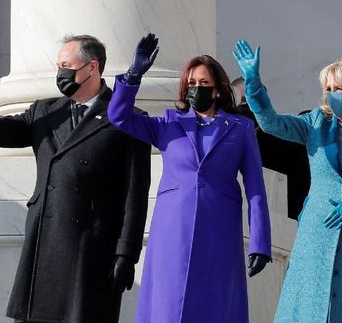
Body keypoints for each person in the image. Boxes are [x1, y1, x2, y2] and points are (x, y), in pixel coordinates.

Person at [0, 36, 151, 323]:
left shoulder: (127, 119)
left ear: (92, 67)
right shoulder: (45, 111)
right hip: (46, 241)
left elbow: (135, 193)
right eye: (59, 66)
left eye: (67, 65)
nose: (61, 73)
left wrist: (127, 254)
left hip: (93, 247)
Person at [233, 40, 342, 322]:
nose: (332, 95)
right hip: (317, 233)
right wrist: (253, 84)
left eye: (340, 88)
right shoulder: (315, 123)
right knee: (309, 309)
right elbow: (271, 123)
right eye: (328, 89)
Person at [108, 34, 271, 323]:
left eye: (204, 84)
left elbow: (256, 188)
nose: (197, 89)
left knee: (216, 304)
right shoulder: (168, 123)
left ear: (218, 90)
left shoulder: (240, 128)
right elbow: (119, 116)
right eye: (192, 84)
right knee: (169, 304)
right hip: (172, 228)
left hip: (219, 227)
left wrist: (260, 242)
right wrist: (133, 76)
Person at [232, 76, 311, 220]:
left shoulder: (282, 140)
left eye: (252, 100)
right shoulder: (223, 142)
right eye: (242, 100)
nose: (247, 106)